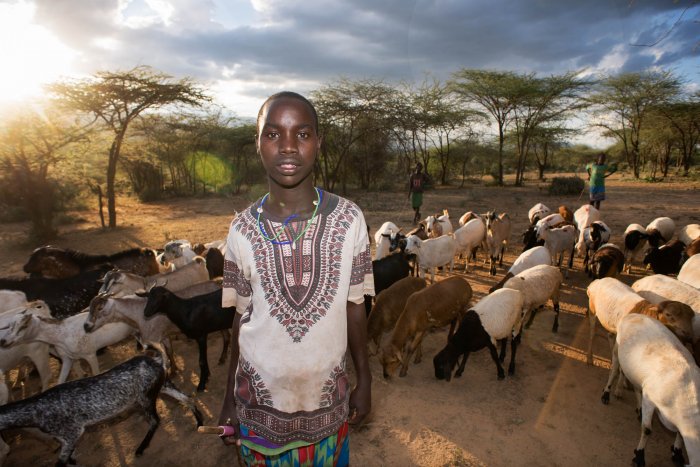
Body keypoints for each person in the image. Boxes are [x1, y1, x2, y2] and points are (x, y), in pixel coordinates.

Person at [218, 91, 373, 467]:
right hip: (259, 412)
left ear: (318, 142)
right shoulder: (241, 230)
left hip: (327, 409)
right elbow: (240, 318)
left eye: (302, 134)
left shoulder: (350, 219)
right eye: (273, 134)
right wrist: (228, 398)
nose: (288, 147)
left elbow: (355, 307)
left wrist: (365, 380)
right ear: (258, 143)